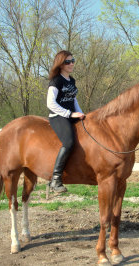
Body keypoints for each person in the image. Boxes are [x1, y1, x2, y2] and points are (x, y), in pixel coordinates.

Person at [47, 50, 85, 193]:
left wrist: (80, 113)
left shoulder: (72, 80)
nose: (71, 63)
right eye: (68, 61)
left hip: (71, 115)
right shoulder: (56, 81)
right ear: (61, 64)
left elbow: (73, 99)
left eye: (73, 60)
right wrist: (69, 113)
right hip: (58, 116)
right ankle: (55, 179)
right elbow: (50, 103)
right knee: (69, 142)